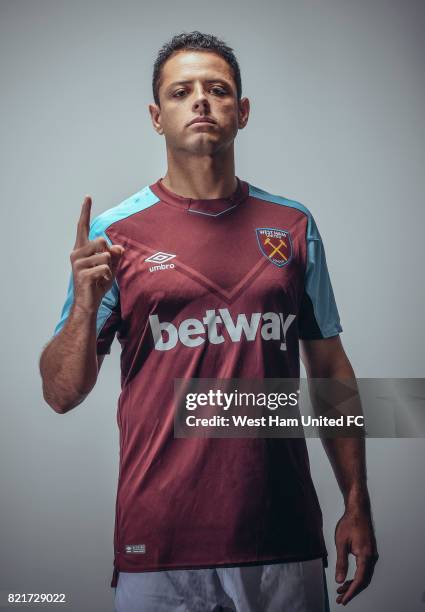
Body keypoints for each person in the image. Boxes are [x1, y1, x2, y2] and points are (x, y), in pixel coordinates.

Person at [39, 31, 378, 611]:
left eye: (217, 90)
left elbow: (329, 370)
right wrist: (85, 305)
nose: (200, 101)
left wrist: (357, 500)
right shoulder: (113, 237)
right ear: (156, 115)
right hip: (161, 544)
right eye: (181, 91)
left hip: (282, 538)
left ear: (241, 112)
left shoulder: (292, 225)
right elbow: (61, 393)